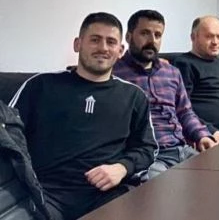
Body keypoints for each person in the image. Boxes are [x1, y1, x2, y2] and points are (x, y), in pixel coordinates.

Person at [11, 12, 157, 220]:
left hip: (107, 196)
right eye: (95, 40)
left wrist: (122, 167)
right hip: (43, 195)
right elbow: (8, 133)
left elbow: (147, 148)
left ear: (120, 50)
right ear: (77, 44)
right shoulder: (40, 86)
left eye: (111, 42)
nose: (103, 48)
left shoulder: (134, 96)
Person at [113, 10, 215, 179]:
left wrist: (202, 135)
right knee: (164, 188)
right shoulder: (115, 75)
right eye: (145, 33)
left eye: (157, 35)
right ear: (129, 37)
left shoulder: (171, 72)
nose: (152, 40)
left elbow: (185, 112)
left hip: (182, 150)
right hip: (150, 155)